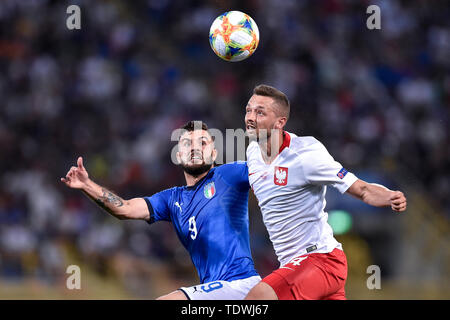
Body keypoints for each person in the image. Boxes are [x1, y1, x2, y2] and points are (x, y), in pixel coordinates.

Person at [61, 121, 260, 300]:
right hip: (215, 291)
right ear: (179, 155)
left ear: (214, 154)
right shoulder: (171, 199)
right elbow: (125, 209)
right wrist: (87, 185)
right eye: (187, 144)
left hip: (241, 285)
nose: (195, 148)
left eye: (202, 143)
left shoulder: (229, 175)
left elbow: (269, 170)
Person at [243, 84, 407, 300]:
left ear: (280, 122)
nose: (250, 117)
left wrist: (389, 196)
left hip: (320, 260)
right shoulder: (252, 151)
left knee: (257, 299)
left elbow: (361, 188)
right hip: (298, 267)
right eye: (248, 110)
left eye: (260, 112)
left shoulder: (306, 154)